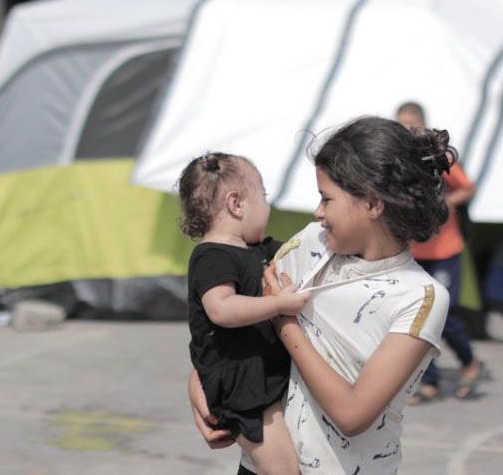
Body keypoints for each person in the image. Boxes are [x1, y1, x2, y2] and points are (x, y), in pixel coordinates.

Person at [189, 116, 452, 474]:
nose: (318, 212)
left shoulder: (420, 297)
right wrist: (200, 386)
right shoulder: (311, 243)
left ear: (373, 204)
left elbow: (352, 414)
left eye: (326, 198)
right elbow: (233, 324)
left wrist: (285, 323)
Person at [181, 152, 309, 475]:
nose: (268, 207)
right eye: (263, 197)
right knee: (283, 469)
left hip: (260, 376)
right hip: (242, 388)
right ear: (236, 203)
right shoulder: (210, 256)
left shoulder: (256, 250)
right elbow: (221, 308)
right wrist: (278, 305)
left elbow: (297, 248)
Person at [394, 102, 484, 402]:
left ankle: (469, 360)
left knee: (444, 313)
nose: (407, 129)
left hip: (445, 249)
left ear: (422, 124)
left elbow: (466, 188)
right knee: (420, 314)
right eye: (401, 124)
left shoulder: (438, 157)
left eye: (411, 124)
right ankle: (429, 381)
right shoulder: (398, 162)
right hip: (414, 249)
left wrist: (446, 203)